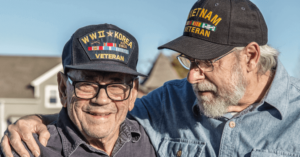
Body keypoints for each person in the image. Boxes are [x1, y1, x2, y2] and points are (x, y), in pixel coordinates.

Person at [2, 0, 300, 156]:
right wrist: (38, 120)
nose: (192, 77)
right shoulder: (169, 100)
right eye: (189, 62)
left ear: (250, 57)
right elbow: (103, 112)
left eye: (207, 63)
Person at [0, 24, 157, 157]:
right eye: (87, 83)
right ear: (63, 88)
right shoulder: (27, 150)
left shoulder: (156, 141)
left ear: (133, 93)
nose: (101, 99)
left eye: (116, 85)